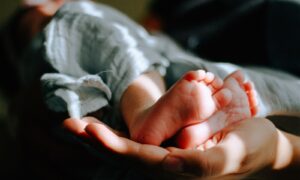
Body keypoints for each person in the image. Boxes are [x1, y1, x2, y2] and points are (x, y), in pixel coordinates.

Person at [2, 0, 300, 179]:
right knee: (91, 27)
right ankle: (170, 116)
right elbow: (148, 32)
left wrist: (281, 152)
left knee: (80, 21)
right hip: (196, 75)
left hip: (210, 83)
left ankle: (148, 112)